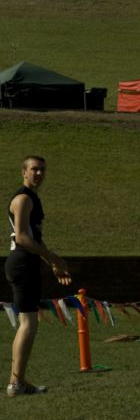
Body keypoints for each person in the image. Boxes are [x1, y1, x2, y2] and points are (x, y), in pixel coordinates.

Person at [5, 156, 72, 396]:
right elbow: (23, 237)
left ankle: (18, 382)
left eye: (43, 169)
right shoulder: (23, 199)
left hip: (28, 263)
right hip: (21, 263)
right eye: (34, 169)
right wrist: (55, 258)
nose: (39, 173)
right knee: (28, 323)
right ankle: (16, 383)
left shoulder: (33, 198)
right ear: (24, 171)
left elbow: (36, 237)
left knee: (29, 323)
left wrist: (51, 263)